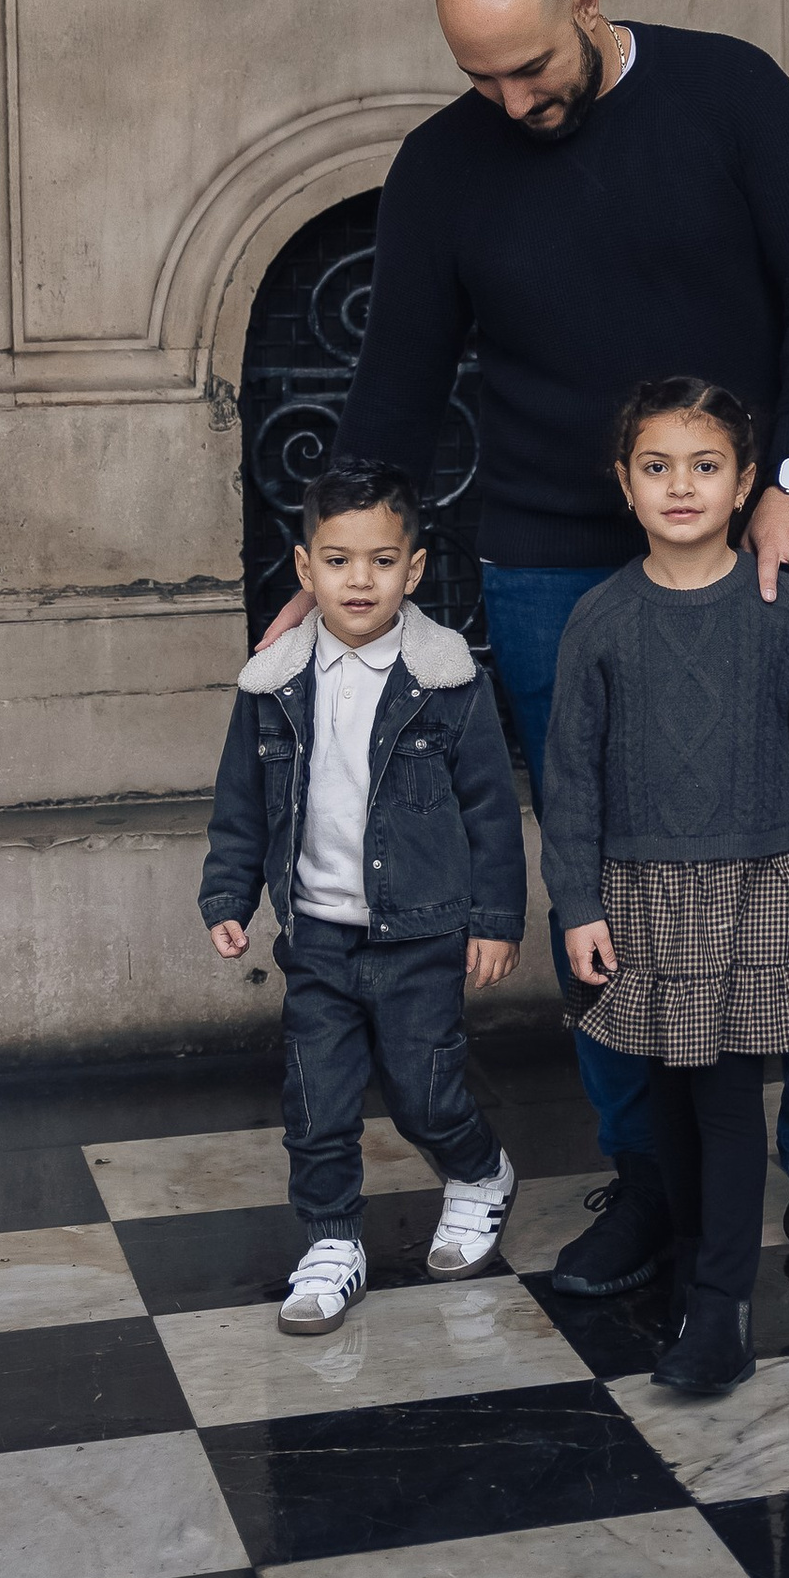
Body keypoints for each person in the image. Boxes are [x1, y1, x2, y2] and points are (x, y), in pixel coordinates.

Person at [328, 0, 789, 1300]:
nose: (512, 103)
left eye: (531, 67)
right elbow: (396, 390)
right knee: (597, 866)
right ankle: (650, 1179)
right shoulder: (444, 168)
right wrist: (342, 565)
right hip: (553, 563)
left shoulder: (733, 96)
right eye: (480, 79)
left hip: (761, 531)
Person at [544, 379, 789, 1397]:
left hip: (750, 890)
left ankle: (723, 1307)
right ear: (623, 483)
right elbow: (568, 778)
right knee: (667, 1102)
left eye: (705, 467)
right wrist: (578, 901)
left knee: (727, 1100)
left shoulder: (781, 614)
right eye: (656, 466)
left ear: (747, 484)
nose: (680, 486)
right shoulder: (600, 620)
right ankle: (689, 1269)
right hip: (638, 896)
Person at [202, 459, 528, 1332]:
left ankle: (477, 1171)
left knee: (424, 1093)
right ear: (304, 569)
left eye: (382, 561)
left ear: (413, 571)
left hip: (420, 932)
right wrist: (227, 896)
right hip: (316, 937)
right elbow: (240, 807)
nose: (360, 580)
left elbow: (493, 812)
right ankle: (333, 1239)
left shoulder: (449, 683)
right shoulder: (270, 687)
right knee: (317, 1099)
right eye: (338, 561)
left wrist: (496, 922)